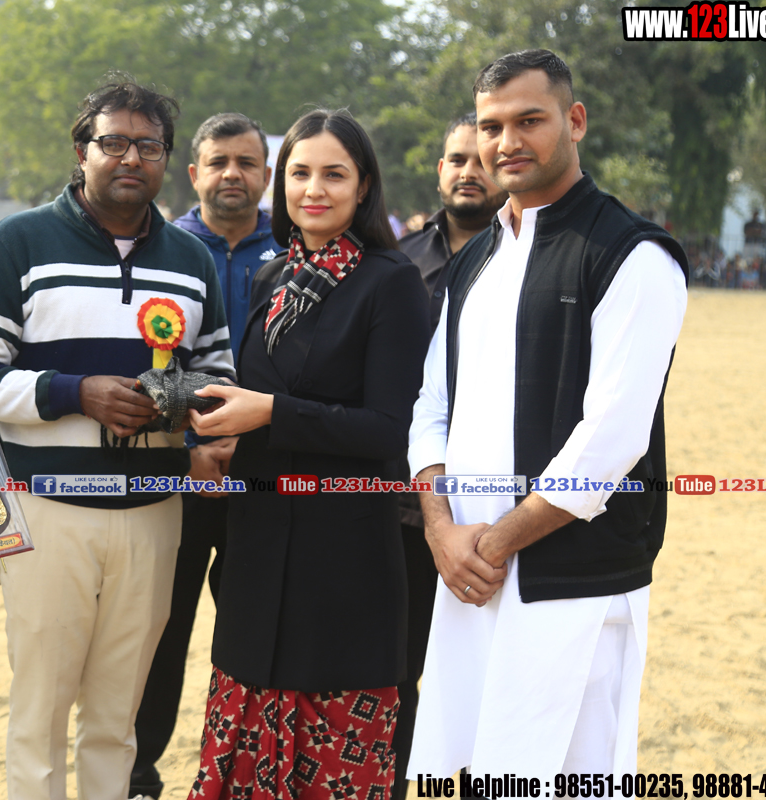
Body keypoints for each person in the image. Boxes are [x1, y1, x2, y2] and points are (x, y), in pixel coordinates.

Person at [405, 49, 689, 778]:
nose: (507, 142)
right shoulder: (475, 259)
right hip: (471, 577)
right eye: (491, 126)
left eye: (529, 120)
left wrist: (495, 543)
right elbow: (432, 404)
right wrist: (440, 530)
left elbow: (611, 440)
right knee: (481, 776)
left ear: (575, 121)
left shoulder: (631, 254)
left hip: (573, 584)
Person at [0, 78, 234, 800]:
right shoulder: (19, 242)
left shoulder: (192, 259)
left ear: (167, 159)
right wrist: (77, 393)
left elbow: (219, 378)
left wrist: (180, 410)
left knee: (118, 715)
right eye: (114, 142)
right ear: (82, 152)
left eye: (149, 146)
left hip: (153, 513)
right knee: (39, 710)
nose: (131, 158)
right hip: (49, 509)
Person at [184, 108, 432, 798]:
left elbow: (389, 430)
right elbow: (263, 397)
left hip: (342, 561)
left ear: (364, 185)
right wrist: (228, 433)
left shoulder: (391, 282)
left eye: (334, 174)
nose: (313, 189)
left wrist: (271, 412)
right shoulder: (274, 278)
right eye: (299, 173)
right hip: (258, 551)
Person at [129, 111, 279, 800]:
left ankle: (250, 776)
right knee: (160, 637)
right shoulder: (162, 252)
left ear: (267, 175)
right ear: (194, 173)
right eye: (218, 162)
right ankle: (139, 773)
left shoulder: (295, 253)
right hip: (176, 480)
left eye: (246, 162)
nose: (232, 174)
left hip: (266, 484)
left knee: (255, 638)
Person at [389, 111, 508, 800]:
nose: (468, 171)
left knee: (488, 678)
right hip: (407, 512)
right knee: (399, 671)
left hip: (501, 512)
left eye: (480, 158)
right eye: (456, 159)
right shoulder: (398, 262)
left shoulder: (526, 259)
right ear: (440, 171)